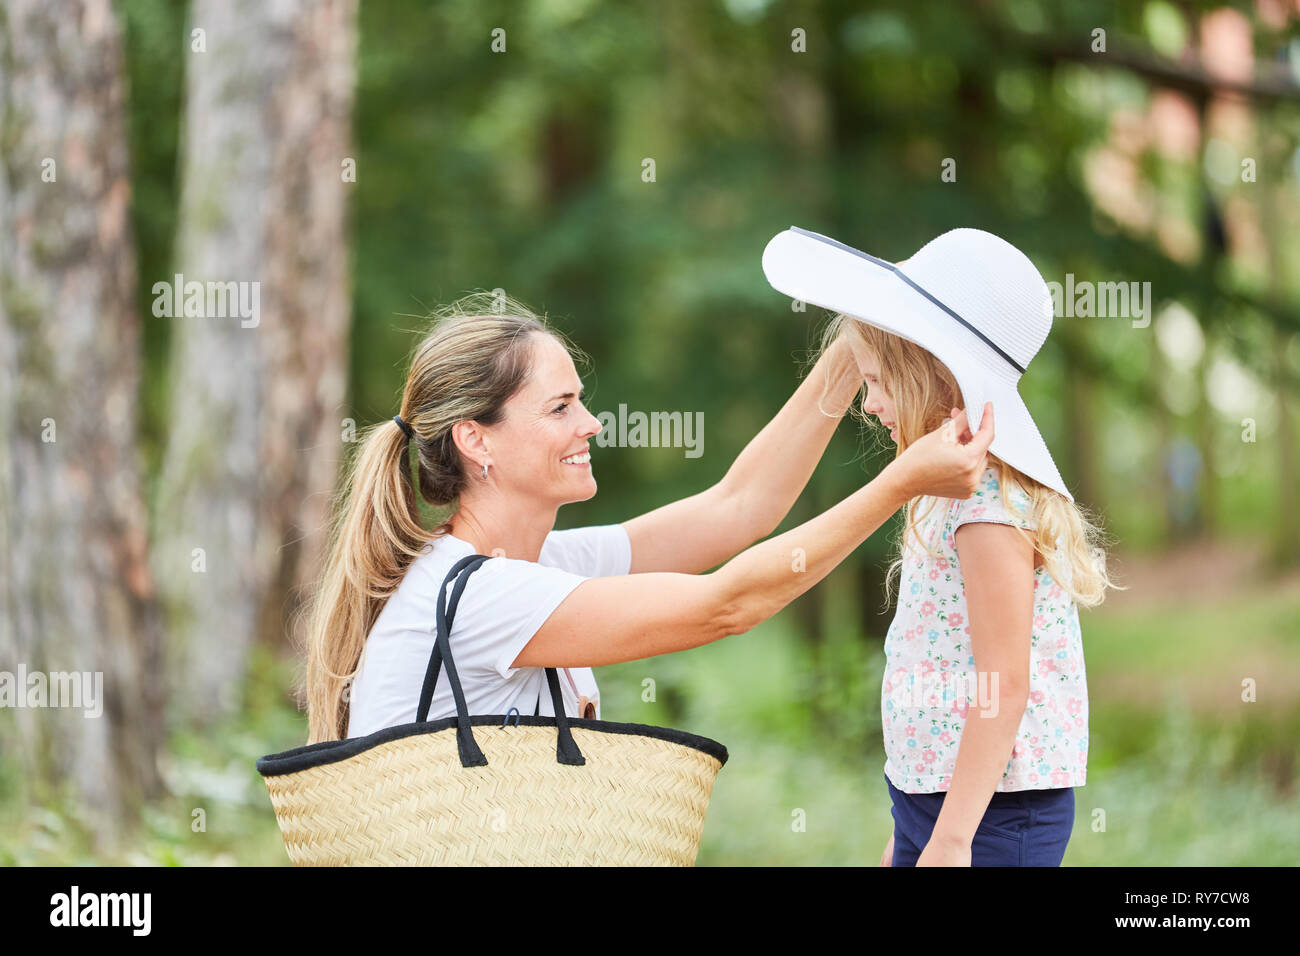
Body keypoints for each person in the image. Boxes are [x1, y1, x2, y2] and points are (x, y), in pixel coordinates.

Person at [302, 290, 994, 746]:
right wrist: (899, 484)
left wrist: (849, 351)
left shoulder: (535, 568)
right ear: (475, 440)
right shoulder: (484, 597)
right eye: (560, 407)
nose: (593, 423)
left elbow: (739, 508)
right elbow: (728, 605)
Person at [763, 225, 1120, 867]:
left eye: (876, 382)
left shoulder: (986, 510)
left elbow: (1003, 685)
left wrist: (952, 837)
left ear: (932, 375)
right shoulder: (942, 491)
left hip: (995, 816)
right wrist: (909, 831)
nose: (867, 404)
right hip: (939, 805)